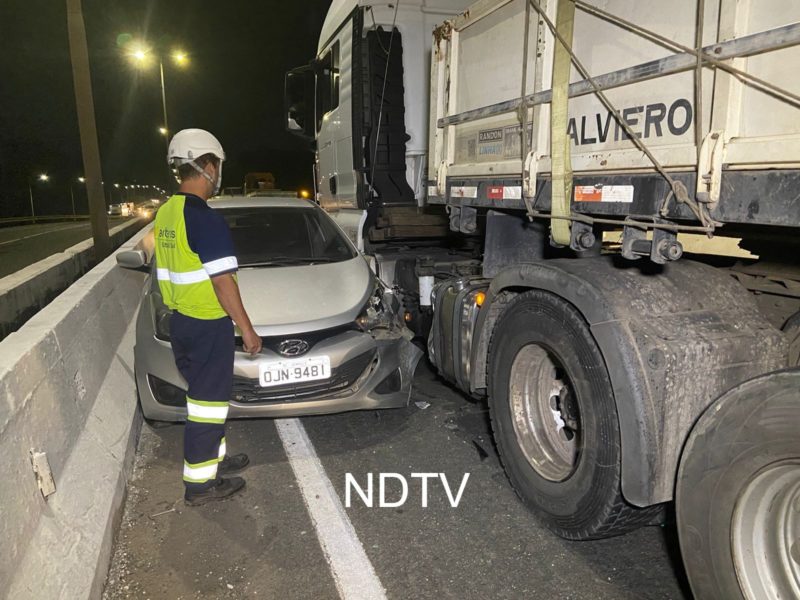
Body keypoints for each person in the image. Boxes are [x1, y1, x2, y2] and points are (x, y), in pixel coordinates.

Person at [154, 128, 263, 505]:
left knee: (204, 399)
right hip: (207, 325)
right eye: (217, 167)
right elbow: (223, 282)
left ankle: (213, 461)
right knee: (207, 405)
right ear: (209, 166)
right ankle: (200, 486)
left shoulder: (167, 212)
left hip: (182, 322)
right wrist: (246, 330)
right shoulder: (204, 218)